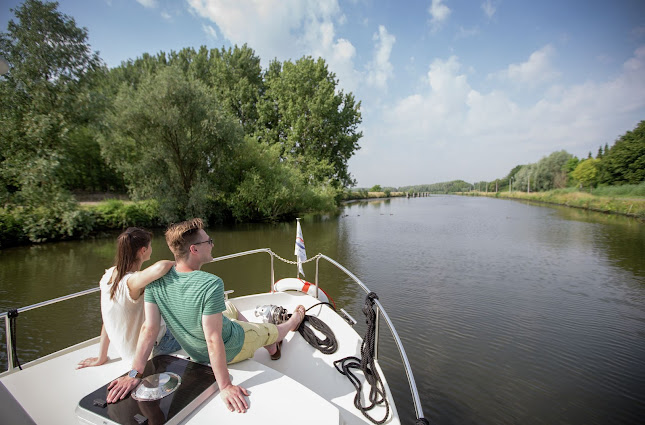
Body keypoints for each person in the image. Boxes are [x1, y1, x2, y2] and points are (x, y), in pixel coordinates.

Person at [105, 218, 305, 413]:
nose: (212, 244)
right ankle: (293, 321)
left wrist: (134, 373)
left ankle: (263, 340)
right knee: (273, 330)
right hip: (233, 344)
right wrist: (225, 385)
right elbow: (212, 338)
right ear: (194, 249)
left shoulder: (155, 282)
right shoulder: (211, 283)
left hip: (194, 349)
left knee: (229, 307)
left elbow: (149, 329)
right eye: (208, 241)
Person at [77, 227, 179, 369]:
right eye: (150, 246)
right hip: (155, 347)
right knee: (201, 325)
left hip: (130, 352)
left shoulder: (109, 276)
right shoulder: (131, 282)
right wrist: (181, 262)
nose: (151, 249)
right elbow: (161, 267)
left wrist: (102, 357)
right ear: (143, 250)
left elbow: (108, 318)